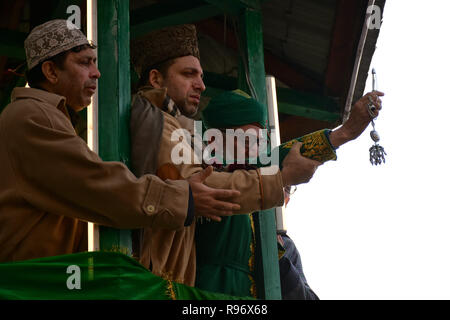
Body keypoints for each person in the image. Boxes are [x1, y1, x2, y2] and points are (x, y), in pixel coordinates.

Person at [0, 19, 243, 263]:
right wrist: (183, 199)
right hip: (30, 283)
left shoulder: (45, 117)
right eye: (85, 62)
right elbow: (95, 185)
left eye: (94, 62)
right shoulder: (32, 116)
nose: (97, 72)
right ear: (51, 71)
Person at [129, 24, 320, 286]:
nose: (201, 85)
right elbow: (200, 185)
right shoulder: (157, 121)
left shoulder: (176, 126)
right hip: (163, 282)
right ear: (156, 79)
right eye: (188, 74)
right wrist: (281, 177)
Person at [195, 88, 383, 299]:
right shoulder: (198, 176)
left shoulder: (280, 237)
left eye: (260, 143)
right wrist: (343, 132)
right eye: (247, 142)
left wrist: (345, 133)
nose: (256, 152)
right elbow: (277, 158)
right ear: (214, 141)